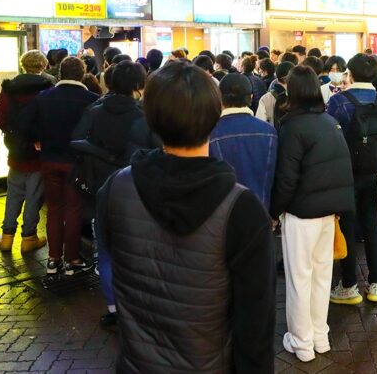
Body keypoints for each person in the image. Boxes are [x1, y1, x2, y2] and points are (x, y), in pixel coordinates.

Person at [96, 61, 275, 373]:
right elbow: (255, 326)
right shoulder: (241, 208)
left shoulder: (116, 187)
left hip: (135, 364)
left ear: (150, 116)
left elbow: (113, 257)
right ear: (214, 114)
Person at [270, 65, 354, 362]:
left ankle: (302, 342)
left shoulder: (292, 126)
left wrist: (274, 211)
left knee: (299, 278)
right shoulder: (330, 121)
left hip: (301, 214)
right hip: (329, 214)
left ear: (292, 91)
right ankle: (320, 336)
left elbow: (286, 178)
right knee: (321, 276)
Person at [71, 61, 147, 327]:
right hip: (135, 188)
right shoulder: (143, 115)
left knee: (105, 251)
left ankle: (114, 308)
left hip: (99, 188)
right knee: (135, 248)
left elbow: (76, 140)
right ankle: (136, 306)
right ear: (139, 85)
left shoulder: (95, 110)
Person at [20, 57, 99, 274]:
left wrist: (37, 139)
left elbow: (23, 123)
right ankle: (72, 259)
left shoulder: (43, 97)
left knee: (54, 208)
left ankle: (53, 259)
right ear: (82, 74)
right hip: (76, 162)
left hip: (49, 159)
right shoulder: (91, 98)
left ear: (61, 73)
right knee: (74, 209)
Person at [327, 54, 377, 304]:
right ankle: (375, 284)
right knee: (372, 224)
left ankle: (349, 284)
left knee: (348, 227)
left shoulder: (339, 101)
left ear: (349, 74)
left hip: (346, 172)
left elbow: (331, 135)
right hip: (373, 171)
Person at [0, 51, 54, 252]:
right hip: (38, 149)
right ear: (43, 66)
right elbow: (48, 119)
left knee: (13, 192)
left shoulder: (9, 87)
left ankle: (6, 237)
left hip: (15, 148)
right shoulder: (47, 88)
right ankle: (28, 238)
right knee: (34, 194)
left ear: (23, 65)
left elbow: (1, 118)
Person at [210, 73, 278, 210]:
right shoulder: (269, 132)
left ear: (219, 97)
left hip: (224, 216)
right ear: (251, 97)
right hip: (261, 213)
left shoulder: (211, 133)